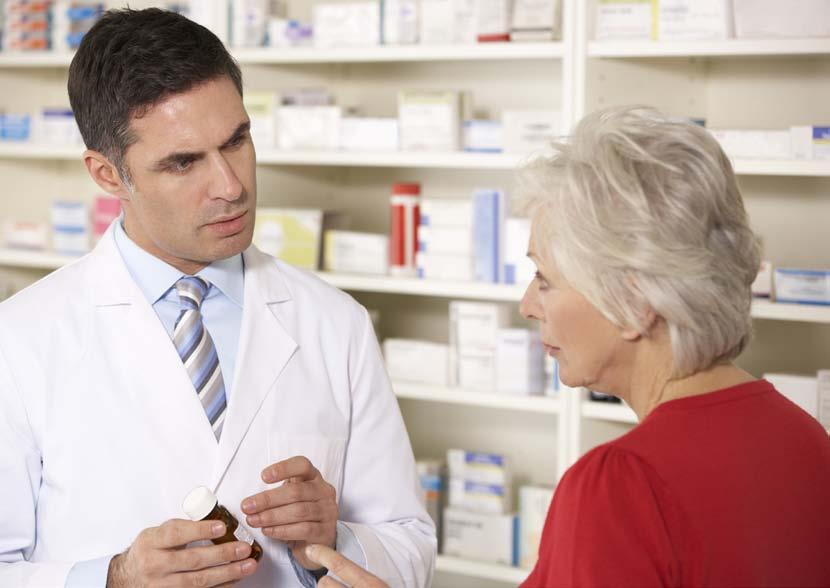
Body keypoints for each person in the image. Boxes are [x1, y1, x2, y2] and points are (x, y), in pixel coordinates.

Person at [299, 106, 830, 587]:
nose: (529, 304)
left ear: (636, 301)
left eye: (544, 278)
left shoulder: (623, 486)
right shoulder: (803, 436)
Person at [0, 8, 435, 588]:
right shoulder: (21, 338)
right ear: (107, 175)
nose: (231, 186)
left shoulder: (335, 321)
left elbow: (410, 541)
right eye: (184, 163)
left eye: (237, 141)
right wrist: (113, 578)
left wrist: (336, 538)